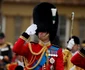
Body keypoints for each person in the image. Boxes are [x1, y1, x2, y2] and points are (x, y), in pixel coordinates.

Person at [13, 2, 64, 70]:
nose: (40, 33)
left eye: (43, 31)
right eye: (39, 30)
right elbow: (16, 49)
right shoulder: (30, 47)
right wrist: (26, 34)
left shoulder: (57, 51)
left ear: (49, 32)